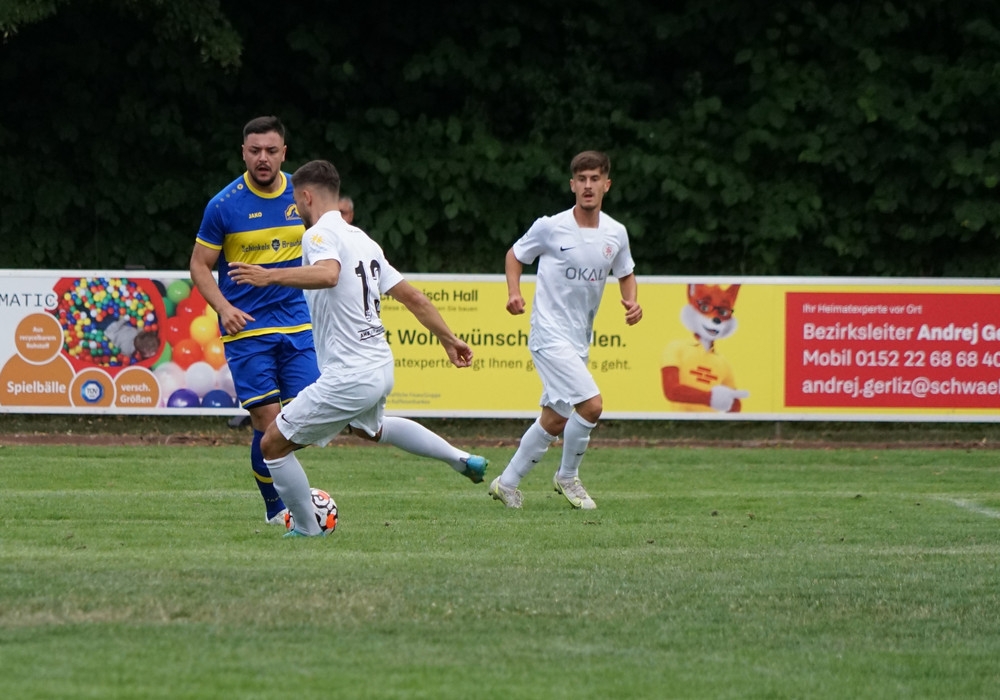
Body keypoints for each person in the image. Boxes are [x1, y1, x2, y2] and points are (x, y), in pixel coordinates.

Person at [228, 159, 489, 537]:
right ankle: (460, 458)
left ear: (306, 196)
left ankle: (307, 529)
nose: (295, 209)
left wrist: (268, 276)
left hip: (349, 374)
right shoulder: (364, 240)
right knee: (372, 430)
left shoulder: (317, 235)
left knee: (272, 444)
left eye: (296, 201)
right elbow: (414, 298)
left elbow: (328, 273)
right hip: (379, 366)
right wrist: (449, 340)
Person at [489, 150, 642, 510]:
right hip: (548, 333)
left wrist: (632, 302)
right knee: (592, 405)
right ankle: (567, 476)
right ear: (572, 185)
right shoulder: (551, 226)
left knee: (556, 418)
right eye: (582, 179)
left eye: (595, 179)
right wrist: (513, 292)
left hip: (578, 338)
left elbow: (626, 272)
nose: (588, 186)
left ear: (606, 184)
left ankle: (506, 484)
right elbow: (515, 255)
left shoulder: (616, 233)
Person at [190, 116, 320, 525]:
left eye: (271, 150)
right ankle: (277, 509)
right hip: (247, 329)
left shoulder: (305, 197)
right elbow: (199, 265)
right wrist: (223, 308)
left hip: (297, 323)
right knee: (267, 421)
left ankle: (292, 495)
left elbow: (329, 248)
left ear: (284, 153)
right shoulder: (223, 205)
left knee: (307, 420)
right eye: (255, 150)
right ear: (243, 153)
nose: (263, 158)